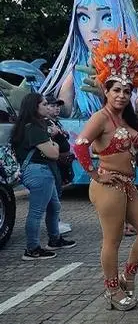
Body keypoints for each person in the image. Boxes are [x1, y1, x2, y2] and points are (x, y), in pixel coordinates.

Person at [72, 31, 138, 311]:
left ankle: (127, 276)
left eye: (126, 90)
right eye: (116, 90)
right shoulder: (100, 117)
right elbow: (80, 145)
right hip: (108, 185)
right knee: (113, 239)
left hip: (128, 185)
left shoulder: (125, 118)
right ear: (105, 91)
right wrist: (95, 174)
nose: (122, 95)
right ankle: (111, 290)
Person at [40, 0, 138, 118]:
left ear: (125, 20)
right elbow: (64, 111)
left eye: (107, 17)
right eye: (83, 17)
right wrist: (30, 103)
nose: (93, 27)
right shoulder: (78, 71)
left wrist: (108, 95)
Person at [11, 93, 76, 261]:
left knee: (54, 207)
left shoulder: (33, 126)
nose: (49, 107)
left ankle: (54, 239)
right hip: (38, 172)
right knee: (37, 211)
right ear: (35, 107)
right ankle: (32, 249)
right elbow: (54, 153)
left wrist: (52, 141)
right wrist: (53, 141)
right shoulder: (33, 127)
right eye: (45, 104)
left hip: (41, 171)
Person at [45, 95, 74, 235]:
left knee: (57, 192)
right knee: (53, 194)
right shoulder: (45, 123)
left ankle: (56, 221)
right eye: (52, 106)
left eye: (58, 106)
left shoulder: (55, 122)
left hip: (60, 164)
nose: (57, 108)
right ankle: (54, 223)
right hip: (52, 163)